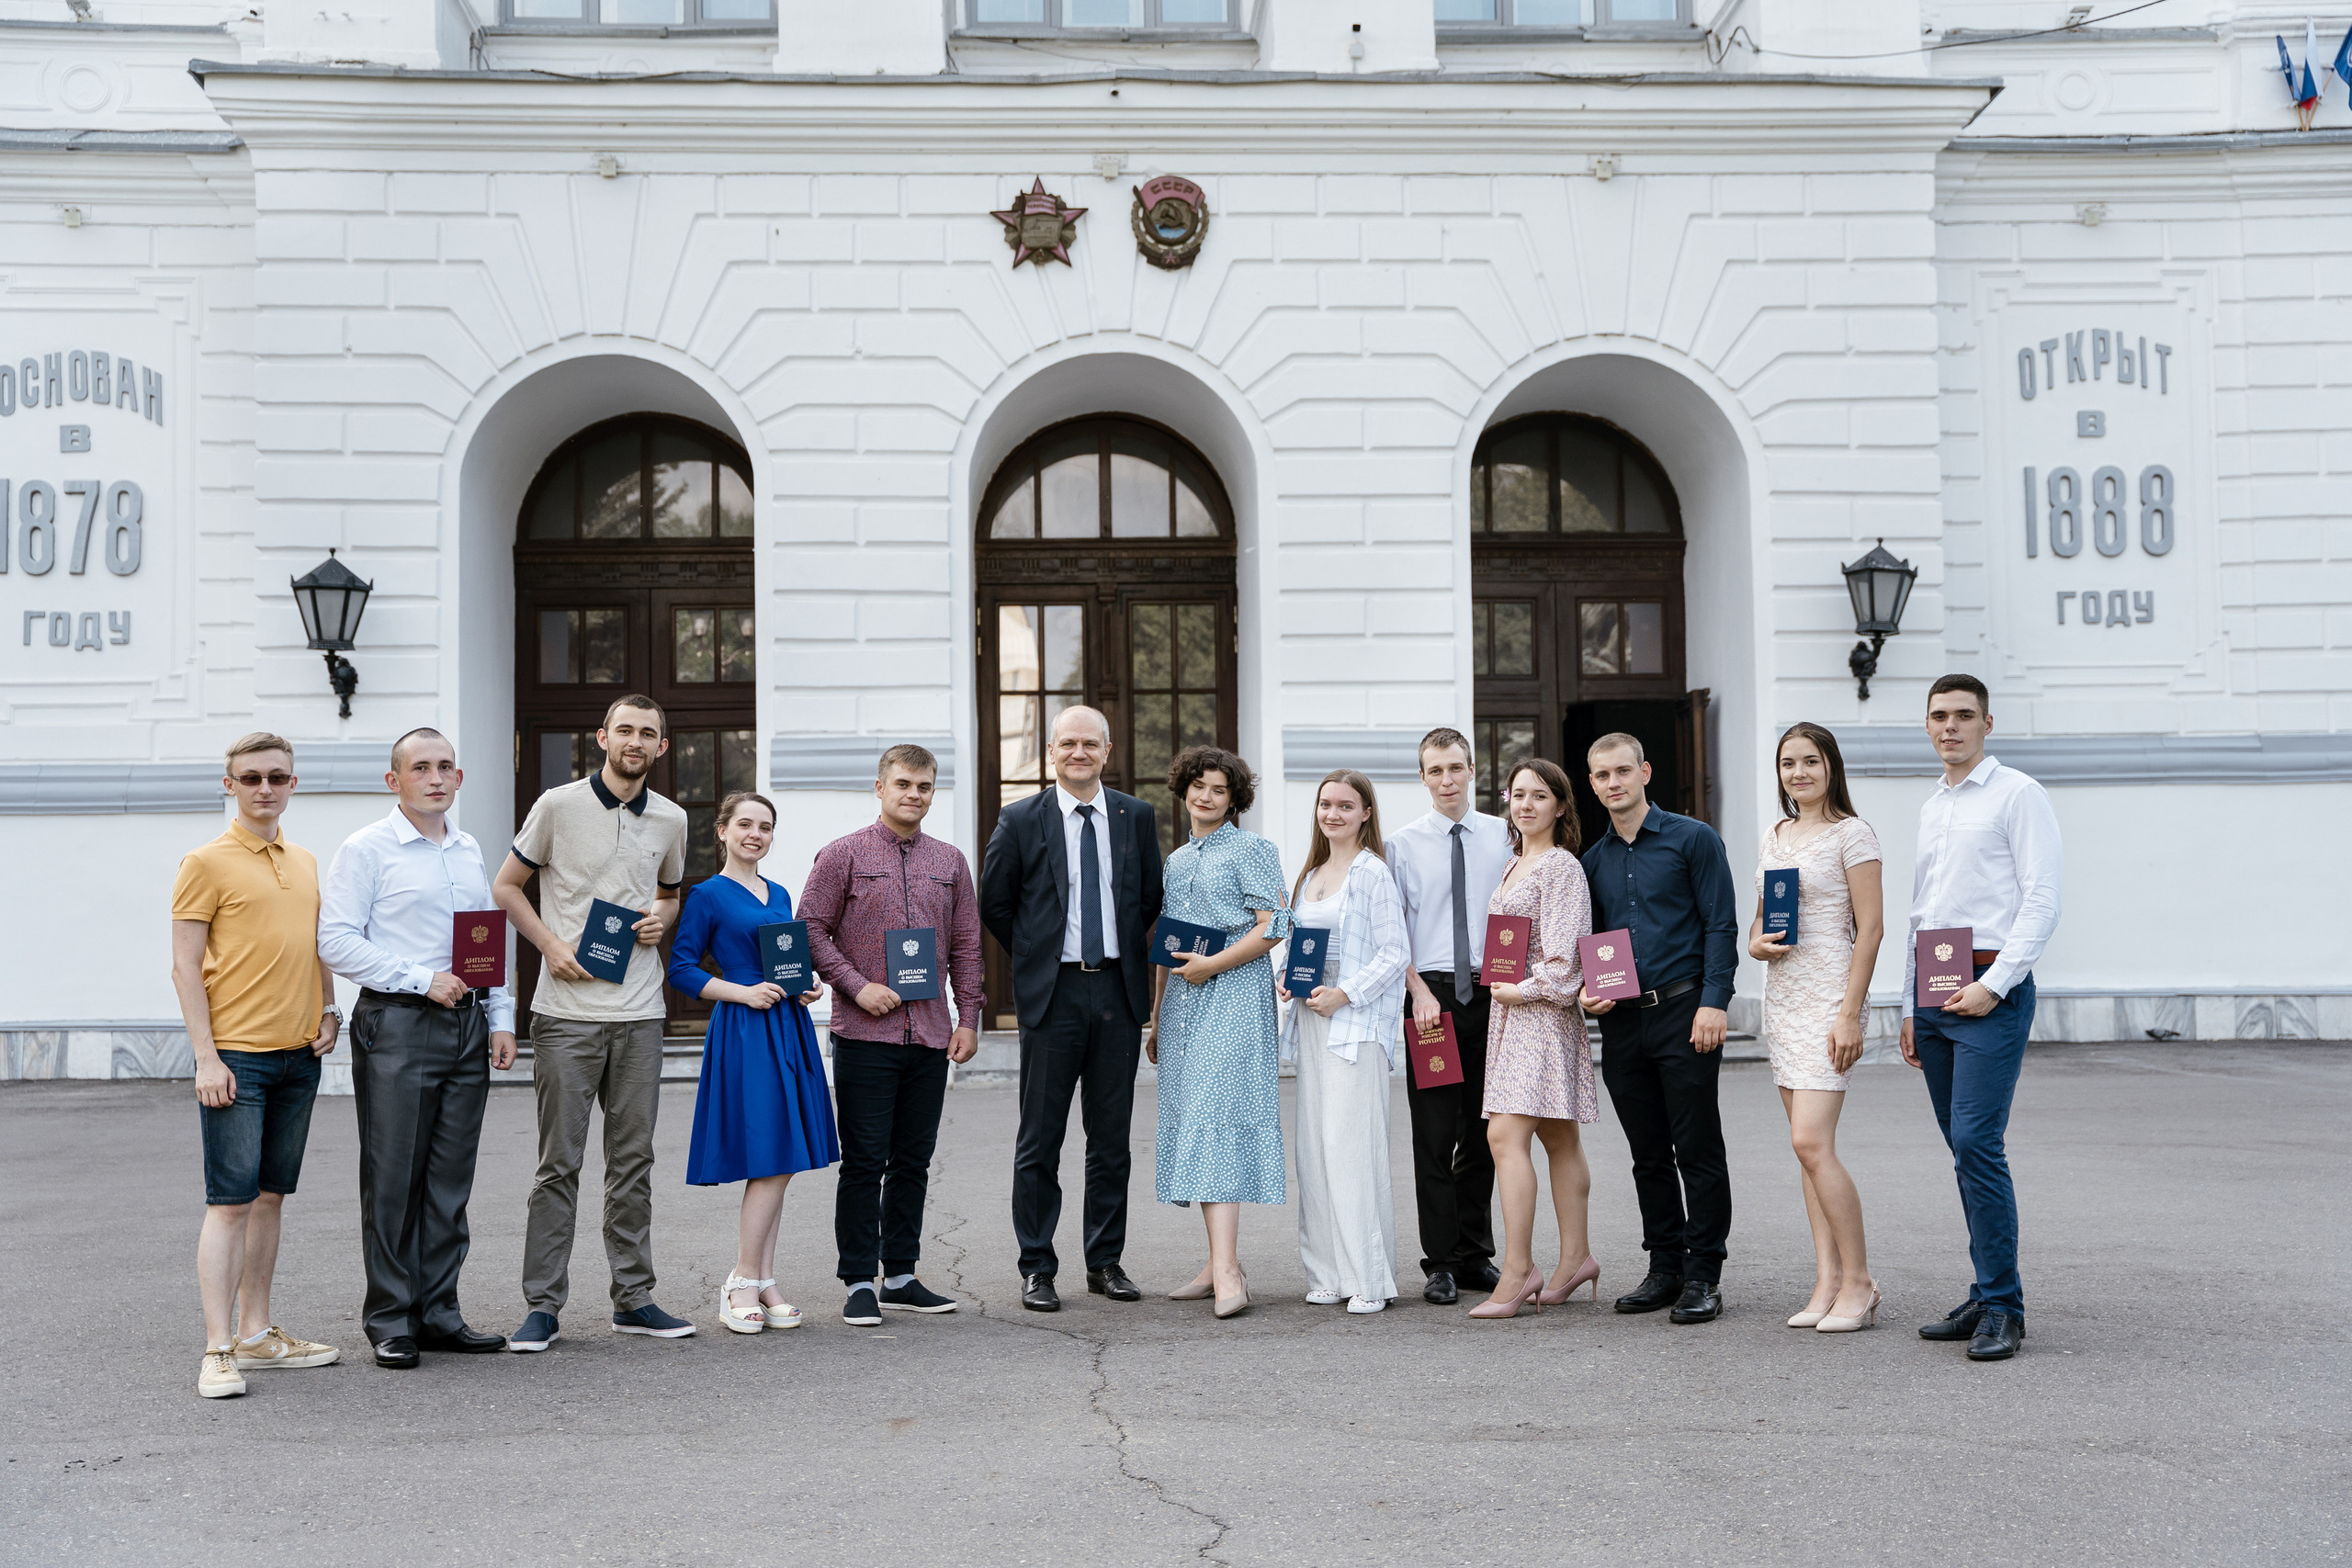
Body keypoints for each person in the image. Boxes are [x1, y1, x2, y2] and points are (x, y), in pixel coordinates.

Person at [492, 694, 692, 1351]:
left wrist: (665, 918)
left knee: (633, 1162)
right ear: (603, 736)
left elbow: (668, 890)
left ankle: (633, 1298)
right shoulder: (557, 805)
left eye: (648, 734)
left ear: (662, 747)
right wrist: (549, 946)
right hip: (567, 1014)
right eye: (625, 729)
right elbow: (506, 886)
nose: (635, 741)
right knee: (560, 1165)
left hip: (640, 1013)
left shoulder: (672, 818)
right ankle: (542, 1306)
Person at [319, 728, 518, 1370]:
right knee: (394, 1176)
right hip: (398, 1024)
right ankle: (390, 1317)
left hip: (466, 1025)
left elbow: (483, 940)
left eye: (446, 767)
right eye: (421, 767)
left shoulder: (467, 849)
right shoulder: (366, 849)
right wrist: (418, 978)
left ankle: (438, 1311)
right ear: (394, 780)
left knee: (449, 1179)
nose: (435, 777)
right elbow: (337, 941)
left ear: (459, 779)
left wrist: (501, 1016)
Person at [169, 733, 343, 1399]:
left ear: (293, 784)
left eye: (277, 777)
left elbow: (316, 943)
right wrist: (206, 1056)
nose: (264, 788)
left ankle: (257, 1332)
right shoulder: (205, 861)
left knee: (271, 1197)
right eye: (251, 778)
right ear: (230, 786)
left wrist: (330, 1010)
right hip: (235, 1058)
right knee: (231, 1203)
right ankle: (217, 1350)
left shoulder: (302, 860)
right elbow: (185, 964)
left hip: (299, 1054)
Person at [978, 706, 1163, 1314]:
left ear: (1107, 751)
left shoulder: (1134, 816)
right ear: (1051, 751)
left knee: (1110, 1140)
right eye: (1068, 743)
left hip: (1116, 990)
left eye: (1090, 743)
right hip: (1053, 993)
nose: (1079, 751)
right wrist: (1036, 955)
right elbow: (996, 903)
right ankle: (1037, 1265)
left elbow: (1147, 902)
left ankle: (1104, 1260)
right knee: (1041, 1139)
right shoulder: (1020, 818)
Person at [1901, 673, 2062, 1363]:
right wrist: (1909, 1005)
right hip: (1935, 985)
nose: (1950, 727)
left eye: (1964, 715)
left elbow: (2043, 899)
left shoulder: (2018, 794)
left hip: (1991, 986)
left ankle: (2004, 1305)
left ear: (1987, 723)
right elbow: (1921, 911)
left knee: (1977, 1141)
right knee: (1962, 1149)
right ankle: (1987, 1287)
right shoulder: (1933, 804)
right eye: (1939, 716)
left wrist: (1995, 985)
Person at [799, 745, 982, 1326]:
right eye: (903, 783)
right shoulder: (842, 855)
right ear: (879, 787)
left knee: (913, 1160)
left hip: (929, 1036)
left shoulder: (950, 862)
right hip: (864, 1034)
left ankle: (900, 1273)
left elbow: (965, 946)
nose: (914, 794)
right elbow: (810, 928)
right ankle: (858, 1278)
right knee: (863, 1161)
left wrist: (969, 1017)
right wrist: (856, 987)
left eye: (925, 786)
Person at [1578, 732, 1739, 1325]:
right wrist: (1587, 993)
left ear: (1644, 771)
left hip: (1683, 1011)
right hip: (1622, 1020)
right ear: (1592, 784)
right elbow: (1591, 944)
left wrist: (1714, 1001)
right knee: (1646, 1153)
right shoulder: (1590, 861)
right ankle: (1664, 1266)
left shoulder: (1692, 838)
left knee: (1696, 1147)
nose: (1613, 782)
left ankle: (1704, 1273)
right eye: (1601, 775)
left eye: (1623, 770)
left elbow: (1720, 923)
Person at [667, 791, 839, 1334]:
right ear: (722, 830)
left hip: (786, 1026)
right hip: (744, 1028)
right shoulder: (707, 895)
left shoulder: (780, 892)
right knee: (767, 1152)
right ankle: (741, 1280)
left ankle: (764, 1278)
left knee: (783, 1153)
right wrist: (741, 994)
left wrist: (803, 986)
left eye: (765, 827)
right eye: (744, 824)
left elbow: (783, 963)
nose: (754, 834)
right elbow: (682, 969)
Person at [1747, 722, 1885, 1334]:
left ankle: (1860, 1280)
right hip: (1783, 995)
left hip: (1830, 995)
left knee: (1812, 1142)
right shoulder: (1776, 833)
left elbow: (1872, 928)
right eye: (1787, 763)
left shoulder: (1852, 834)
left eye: (1809, 761)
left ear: (1831, 766)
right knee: (1806, 1153)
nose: (1797, 773)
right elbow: (1756, 921)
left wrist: (1851, 1011)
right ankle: (1827, 1278)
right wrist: (1757, 944)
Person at [1149, 745, 1290, 1319]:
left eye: (1219, 790)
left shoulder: (1254, 849)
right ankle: (1215, 1263)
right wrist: (1157, 1016)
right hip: (1183, 1003)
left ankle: (1230, 1269)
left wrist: (1214, 964)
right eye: (1198, 786)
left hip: (1233, 995)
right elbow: (1168, 941)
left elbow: (1276, 926)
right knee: (1196, 1121)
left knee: (1217, 1120)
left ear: (1234, 800)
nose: (1206, 796)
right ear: (1184, 789)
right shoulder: (1176, 860)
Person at [1471, 759, 1602, 1321]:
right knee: (1559, 1138)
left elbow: (1566, 956)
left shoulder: (1560, 867)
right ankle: (1576, 1259)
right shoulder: (1512, 865)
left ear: (1560, 806)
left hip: (1539, 1015)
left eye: (1539, 796)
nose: (1525, 804)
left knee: (1504, 1136)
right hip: (1511, 1015)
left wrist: (1517, 991)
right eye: (1517, 794)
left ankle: (1520, 1270)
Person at [1386, 728, 1512, 1305]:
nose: (1447, 780)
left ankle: (1473, 1254)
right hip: (1432, 998)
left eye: (1456, 768)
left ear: (1472, 771)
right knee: (1435, 1134)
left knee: (1487, 1132)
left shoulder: (1503, 837)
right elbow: (1396, 930)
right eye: (1435, 770)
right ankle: (1438, 1261)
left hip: (1495, 995)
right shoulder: (1402, 845)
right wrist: (1416, 990)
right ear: (1422, 776)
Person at [1279, 769, 1408, 1314]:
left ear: (1365, 814)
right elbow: (1293, 942)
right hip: (1310, 1017)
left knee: (1351, 1146)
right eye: (1325, 804)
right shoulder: (1309, 876)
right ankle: (1327, 1271)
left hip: (1354, 1023)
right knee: (1314, 1147)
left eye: (1345, 806)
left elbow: (1394, 951)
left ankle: (1369, 1278)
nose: (1333, 813)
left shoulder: (1372, 873)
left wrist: (1346, 994)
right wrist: (1286, 977)